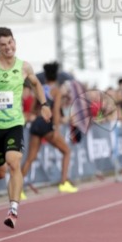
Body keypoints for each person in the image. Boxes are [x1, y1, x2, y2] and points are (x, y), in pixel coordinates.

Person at [0, 27, 52, 229]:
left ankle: (13, 210)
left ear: (14, 41)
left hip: (14, 123)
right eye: (3, 45)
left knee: (14, 162)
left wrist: (44, 105)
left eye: (10, 43)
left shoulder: (24, 66)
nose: (8, 47)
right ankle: (9, 189)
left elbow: (35, 85)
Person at [21, 61, 78, 194]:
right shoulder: (56, 91)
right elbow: (56, 112)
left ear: (45, 76)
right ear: (56, 77)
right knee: (67, 151)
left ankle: (17, 189)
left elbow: (33, 108)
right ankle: (64, 182)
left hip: (36, 124)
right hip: (47, 124)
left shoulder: (39, 88)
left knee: (30, 157)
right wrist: (56, 129)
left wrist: (34, 116)